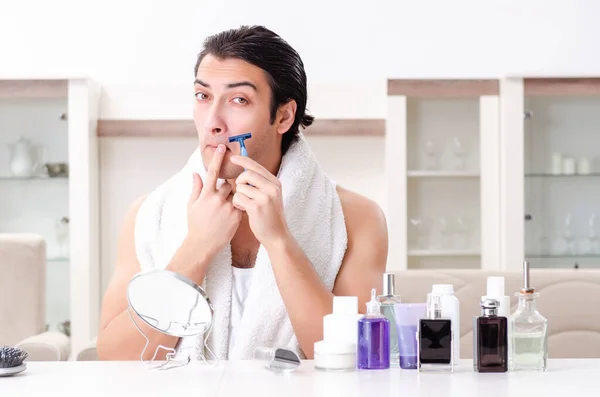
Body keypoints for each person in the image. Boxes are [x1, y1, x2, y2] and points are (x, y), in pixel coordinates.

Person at [97, 25, 388, 361]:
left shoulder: (356, 218)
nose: (213, 122)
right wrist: (196, 248)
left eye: (238, 100)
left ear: (283, 115)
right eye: (203, 96)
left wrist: (279, 241)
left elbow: (354, 358)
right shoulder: (150, 215)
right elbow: (115, 361)